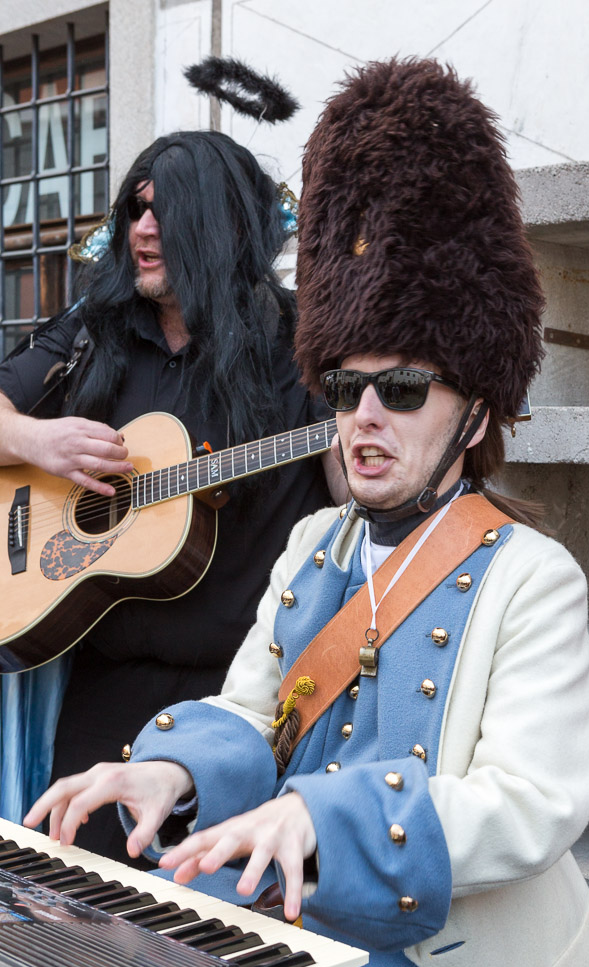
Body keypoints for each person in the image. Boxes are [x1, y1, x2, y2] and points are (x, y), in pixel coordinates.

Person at [26, 60, 589, 967]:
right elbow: (249, 709)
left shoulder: (530, 575)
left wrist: (323, 814)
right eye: (346, 387)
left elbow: (530, 804)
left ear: (479, 411)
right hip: (302, 938)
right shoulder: (313, 547)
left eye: (403, 389)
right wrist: (169, 766)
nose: (365, 416)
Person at [1, 129, 338, 860]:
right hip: (97, 690)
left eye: (166, 213)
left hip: (239, 706)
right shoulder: (94, 332)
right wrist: (36, 442)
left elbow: (353, 500)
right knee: (82, 917)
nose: (142, 231)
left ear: (221, 225)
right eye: (137, 210)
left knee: (213, 925)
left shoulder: (304, 345)